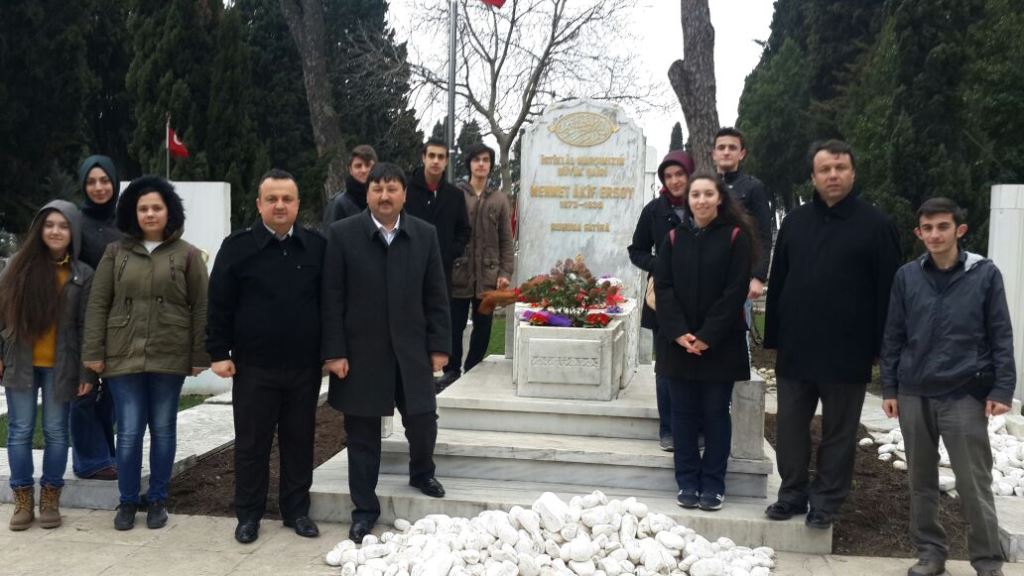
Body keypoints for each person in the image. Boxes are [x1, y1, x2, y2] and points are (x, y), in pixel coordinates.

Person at [763, 140, 901, 529]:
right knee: (790, 428)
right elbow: (780, 283)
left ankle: (826, 501)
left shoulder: (877, 225)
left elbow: (888, 292)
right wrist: (773, 336)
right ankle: (791, 493)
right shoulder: (795, 222)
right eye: (825, 169)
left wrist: (880, 348)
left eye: (840, 168)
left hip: (848, 350)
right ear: (813, 176)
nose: (833, 175)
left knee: (839, 433)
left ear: (853, 173)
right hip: (797, 347)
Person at [881, 198, 1014, 576]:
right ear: (918, 233)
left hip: (964, 392)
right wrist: (890, 388)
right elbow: (893, 335)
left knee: (974, 483)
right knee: (920, 481)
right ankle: (930, 553)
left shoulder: (984, 274)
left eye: (942, 226)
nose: (935, 234)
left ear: (960, 230)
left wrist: (1002, 389)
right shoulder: (906, 276)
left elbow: (1001, 333)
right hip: (914, 391)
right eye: (928, 228)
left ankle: (988, 562)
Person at [322, 162, 452, 543]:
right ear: (368, 194)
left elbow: (436, 295)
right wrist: (334, 352)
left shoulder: (424, 235)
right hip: (361, 355)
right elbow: (332, 298)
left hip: (411, 351)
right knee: (362, 436)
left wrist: (440, 346)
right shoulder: (343, 235)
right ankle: (364, 510)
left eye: (392, 188)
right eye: (377, 188)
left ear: (403, 195)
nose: (384, 195)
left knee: (423, 419)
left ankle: (422, 471)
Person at [82, 176, 210, 531]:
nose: (150, 214)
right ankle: (126, 501)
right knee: (129, 431)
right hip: (123, 356)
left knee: (165, 430)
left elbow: (201, 306)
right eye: (143, 208)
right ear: (132, 213)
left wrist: (199, 354)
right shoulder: (115, 253)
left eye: (156, 207)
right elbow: (98, 304)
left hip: (169, 356)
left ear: (169, 211)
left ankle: (157, 499)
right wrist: (93, 354)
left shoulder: (187, 255)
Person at [207, 169, 326, 544]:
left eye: (287, 199)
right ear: (259, 204)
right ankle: (248, 515)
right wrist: (217, 352)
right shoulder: (237, 247)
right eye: (272, 199)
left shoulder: (316, 247)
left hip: (303, 368)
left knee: (299, 442)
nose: (279, 205)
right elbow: (219, 304)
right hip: (253, 368)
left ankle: (296, 511)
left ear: (297, 204)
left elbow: (329, 303)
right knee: (251, 445)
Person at [654, 174, 755, 511]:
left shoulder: (736, 238)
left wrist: (708, 336)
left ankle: (713, 484)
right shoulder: (671, 237)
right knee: (681, 415)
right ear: (688, 200)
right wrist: (679, 332)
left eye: (708, 194)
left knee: (714, 413)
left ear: (719, 198)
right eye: (695, 194)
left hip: (720, 345)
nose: (701, 200)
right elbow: (663, 288)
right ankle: (686, 481)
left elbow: (734, 291)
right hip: (679, 343)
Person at [0, 200, 98, 530]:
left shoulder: (82, 274)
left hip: (62, 365)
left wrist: (87, 372)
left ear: (73, 232)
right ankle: (23, 500)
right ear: (40, 230)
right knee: (20, 431)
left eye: (63, 225)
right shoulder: (16, 266)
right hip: (20, 362)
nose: (56, 231)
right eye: (49, 225)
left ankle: (51, 498)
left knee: (57, 433)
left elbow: (87, 325)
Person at [627, 149, 695, 452]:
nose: (675, 180)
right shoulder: (653, 210)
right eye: (669, 176)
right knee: (666, 368)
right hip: (664, 300)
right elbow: (636, 249)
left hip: (699, 298)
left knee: (698, 363)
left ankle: (697, 427)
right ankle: (667, 429)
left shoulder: (704, 203)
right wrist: (659, 265)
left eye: (680, 174)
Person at [404, 137, 471, 388]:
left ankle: (442, 371)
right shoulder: (407, 190)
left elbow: (464, 231)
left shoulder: (454, 195)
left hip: (441, 271)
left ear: (446, 161)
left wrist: (448, 253)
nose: (435, 161)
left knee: (441, 318)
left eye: (441, 157)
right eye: (431, 155)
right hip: (407, 269)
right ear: (423, 157)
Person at [448, 142, 514, 383]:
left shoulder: (499, 199)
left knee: (483, 326)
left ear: (491, 165)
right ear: (469, 164)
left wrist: (505, 270)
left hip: (488, 275)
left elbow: (506, 238)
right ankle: (451, 370)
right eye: (477, 160)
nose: (481, 164)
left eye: (486, 160)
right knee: (453, 327)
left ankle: (472, 366)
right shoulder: (455, 195)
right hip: (458, 273)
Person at [73, 155, 120, 481]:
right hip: (81, 319)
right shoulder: (75, 221)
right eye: (92, 181)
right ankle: (90, 460)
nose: (99, 187)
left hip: (120, 321)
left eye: (104, 180)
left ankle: (107, 452)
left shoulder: (126, 221)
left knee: (116, 391)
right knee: (83, 390)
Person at [712, 128, 773, 345]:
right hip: (707, 276)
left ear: (742, 153)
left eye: (732, 148)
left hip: (739, 277)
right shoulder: (705, 186)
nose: (726, 152)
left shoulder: (753, 187)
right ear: (714, 153)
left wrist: (758, 277)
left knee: (736, 343)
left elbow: (764, 235)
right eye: (721, 147)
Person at [322, 145, 378, 229]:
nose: (364, 170)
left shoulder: (384, 199)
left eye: (368, 165)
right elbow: (329, 238)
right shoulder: (339, 204)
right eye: (358, 166)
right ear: (350, 170)